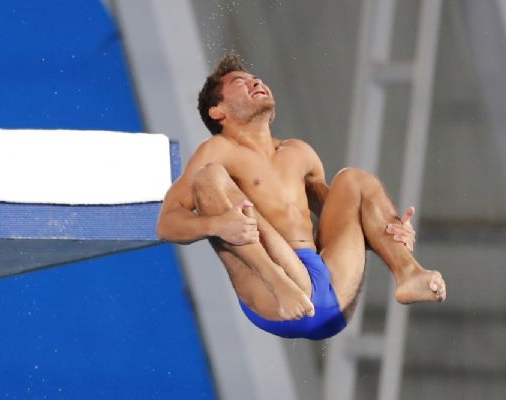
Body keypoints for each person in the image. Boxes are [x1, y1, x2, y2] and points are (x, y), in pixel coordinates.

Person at [157, 53, 446, 340]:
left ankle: (408, 273)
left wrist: (391, 229)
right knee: (209, 177)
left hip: (333, 291)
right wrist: (216, 226)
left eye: (255, 78)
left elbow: (352, 219)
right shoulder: (217, 150)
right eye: (240, 82)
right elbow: (167, 224)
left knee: (353, 179)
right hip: (273, 290)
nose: (255, 81)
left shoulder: (299, 152)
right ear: (217, 111)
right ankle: (277, 281)